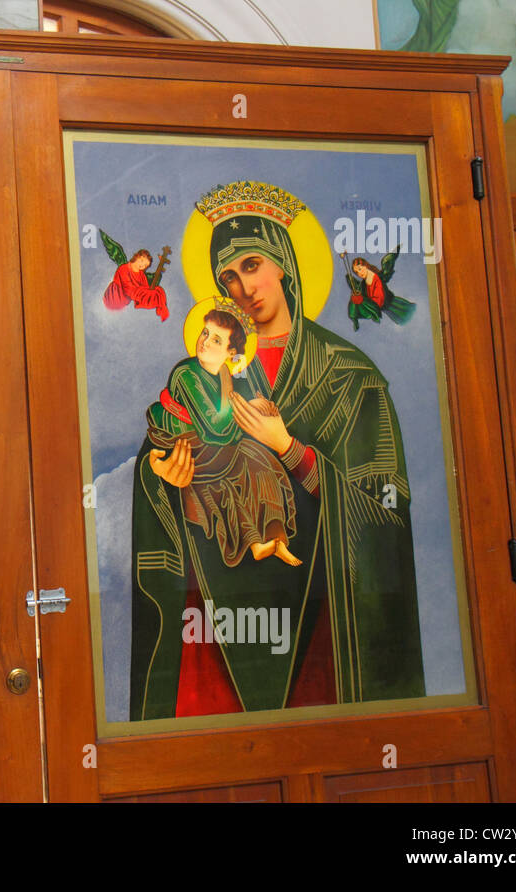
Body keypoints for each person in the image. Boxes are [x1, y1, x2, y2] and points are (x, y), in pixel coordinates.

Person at [131, 181, 425, 720]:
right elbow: (163, 450)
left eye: (251, 265)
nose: (241, 287)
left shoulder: (350, 374)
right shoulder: (203, 367)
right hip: (216, 615)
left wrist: (289, 449)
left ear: (284, 264)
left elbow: (384, 507)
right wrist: (165, 476)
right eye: (228, 277)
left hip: (322, 619)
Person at [148, 305, 300, 568]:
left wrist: (252, 405)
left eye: (216, 339)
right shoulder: (186, 374)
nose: (205, 341)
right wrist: (247, 406)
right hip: (185, 443)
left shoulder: (225, 374)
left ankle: (275, 539)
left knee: (263, 463)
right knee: (232, 474)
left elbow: (226, 426)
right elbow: (216, 431)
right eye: (205, 333)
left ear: (231, 351)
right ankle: (253, 541)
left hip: (213, 445)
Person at [347, 253, 416, 331]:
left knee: (408, 315)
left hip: (393, 305)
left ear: (365, 265)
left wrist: (365, 302)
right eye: (356, 272)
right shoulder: (364, 283)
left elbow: (379, 299)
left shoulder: (376, 278)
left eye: (359, 269)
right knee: (404, 323)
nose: (359, 273)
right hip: (386, 309)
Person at [103, 249, 170, 320]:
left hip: (123, 305)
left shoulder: (142, 276)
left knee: (158, 290)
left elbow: (146, 289)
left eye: (145, 265)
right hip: (111, 298)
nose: (142, 265)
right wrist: (146, 294)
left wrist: (153, 294)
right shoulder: (124, 269)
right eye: (142, 261)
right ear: (137, 256)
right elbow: (129, 289)